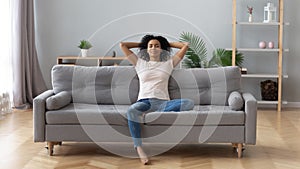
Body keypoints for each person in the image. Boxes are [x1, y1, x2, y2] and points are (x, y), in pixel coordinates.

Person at [119, 34, 194, 165]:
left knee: (189, 103)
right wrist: (143, 44)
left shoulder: (168, 63)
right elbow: (123, 45)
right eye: (151, 46)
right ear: (146, 49)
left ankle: (159, 111)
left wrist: (166, 44)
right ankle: (139, 148)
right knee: (131, 111)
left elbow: (185, 46)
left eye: (157, 46)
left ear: (162, 49)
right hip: (144, 102)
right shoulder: (139, 63)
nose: (154, 48)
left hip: (163, 102)